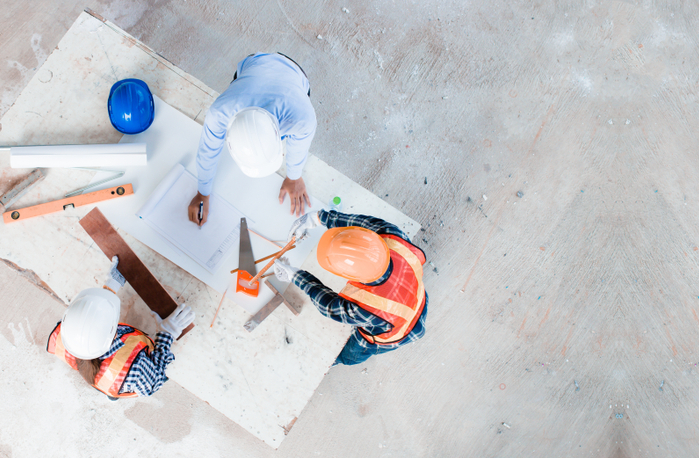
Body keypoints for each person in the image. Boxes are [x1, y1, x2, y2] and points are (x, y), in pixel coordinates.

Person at [272, 210, 428, 365]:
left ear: (354, 277)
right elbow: (361, 224)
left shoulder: (369, 308)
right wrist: (318, 218)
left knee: (351, 354)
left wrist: (295, 276)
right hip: (417, 296)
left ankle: (338, 360)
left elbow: (329, 306)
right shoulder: (391, 235)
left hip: (401, 332)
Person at [188, 52, 317, 224]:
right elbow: (207, 151)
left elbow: (299, 147)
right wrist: (203, 192)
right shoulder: (220, 112)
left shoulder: (301, 117)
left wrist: (294, 177)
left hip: (296, 75)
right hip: (254, 63)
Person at [46, 257, 195, 399]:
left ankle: (111, 393)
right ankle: (114, 393)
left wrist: (113, 283)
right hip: (122, 379)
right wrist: (167, 334)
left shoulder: (72, 331)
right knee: (118, 387)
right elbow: (154, 381)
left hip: (105, 379)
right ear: (113, 331)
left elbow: (94, 316)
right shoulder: (136, 370)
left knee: (110, 388)